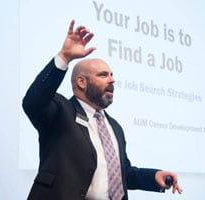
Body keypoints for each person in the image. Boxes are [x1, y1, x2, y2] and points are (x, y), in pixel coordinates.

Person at [22, 19, 183, 200]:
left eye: (112, 75)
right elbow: (32, 102)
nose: (112, 80)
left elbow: (122, 174)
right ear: (81, 82)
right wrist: (64, 57)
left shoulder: (114, 127)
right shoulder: (60, 111)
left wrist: (153, 177)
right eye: (103, 75)